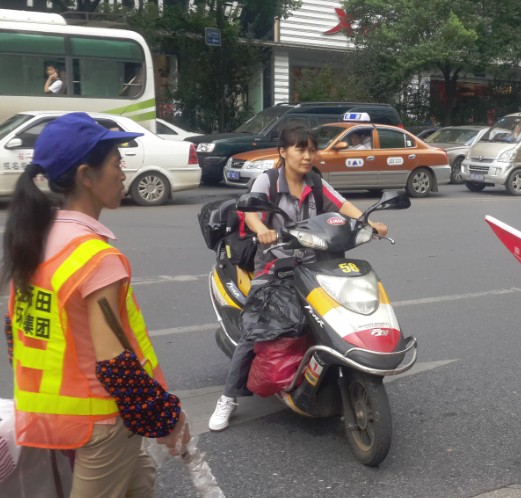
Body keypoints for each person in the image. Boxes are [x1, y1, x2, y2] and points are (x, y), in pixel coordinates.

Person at [1, 112, 190, 497]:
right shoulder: (94, 257)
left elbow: (15, 334)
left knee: (138, 482)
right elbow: (114, 362)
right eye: (117, 164)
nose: (123, 174)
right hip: (100, 423)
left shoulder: (36, 239)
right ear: (86, 175)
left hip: (52, 415)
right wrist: (166, 418)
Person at [209, 125, 388, 431]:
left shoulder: (315, 183)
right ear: (283, 152)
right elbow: (250, 212)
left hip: (314, 263)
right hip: (275, 265)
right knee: (256, 328)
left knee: (339, 311)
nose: (307, 156)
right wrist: (261, 230)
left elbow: (342, 205)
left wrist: (367, 222)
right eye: (300, 149)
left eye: (311, 150)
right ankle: (228, 398)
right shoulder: (268, 181)